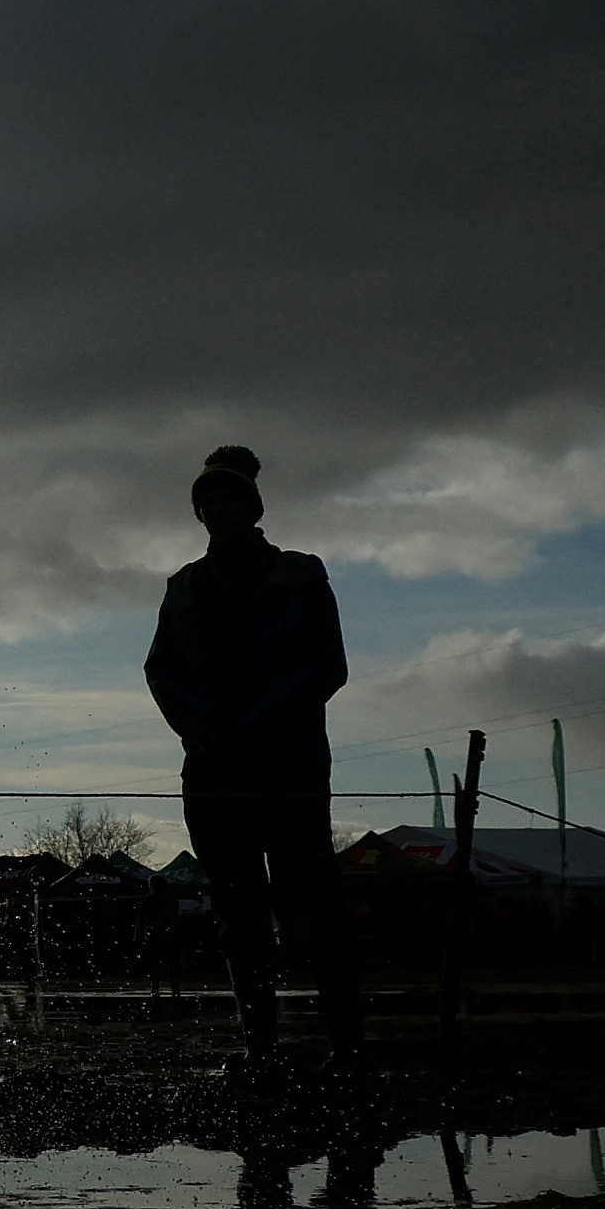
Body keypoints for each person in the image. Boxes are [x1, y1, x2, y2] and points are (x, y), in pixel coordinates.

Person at [143, 446, 352, 1080]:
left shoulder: (300, 574)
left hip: (289, 764)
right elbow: (162, 671)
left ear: (254, 507)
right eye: (206, 501)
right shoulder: (183, 587)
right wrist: (204, 730)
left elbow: (325, 665)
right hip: (214, 769)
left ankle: (347, 1047)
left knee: (311, 902)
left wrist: (255, 720)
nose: (217, 509)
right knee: (236, 910)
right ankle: (261, 1048)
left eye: (228, 497)